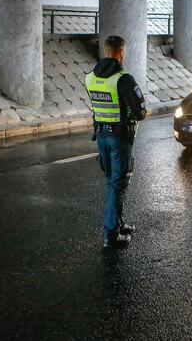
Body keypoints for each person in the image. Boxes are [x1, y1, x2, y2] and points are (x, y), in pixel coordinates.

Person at [85, 36, 146, 248]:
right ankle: (111, 235)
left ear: (106, 50)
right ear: (121, 52)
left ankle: (119, 224)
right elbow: (141, 112)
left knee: (114, 182)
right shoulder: (124, 78)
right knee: (116, 186)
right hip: (120, 138)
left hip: (101, 136)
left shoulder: (90, 77)